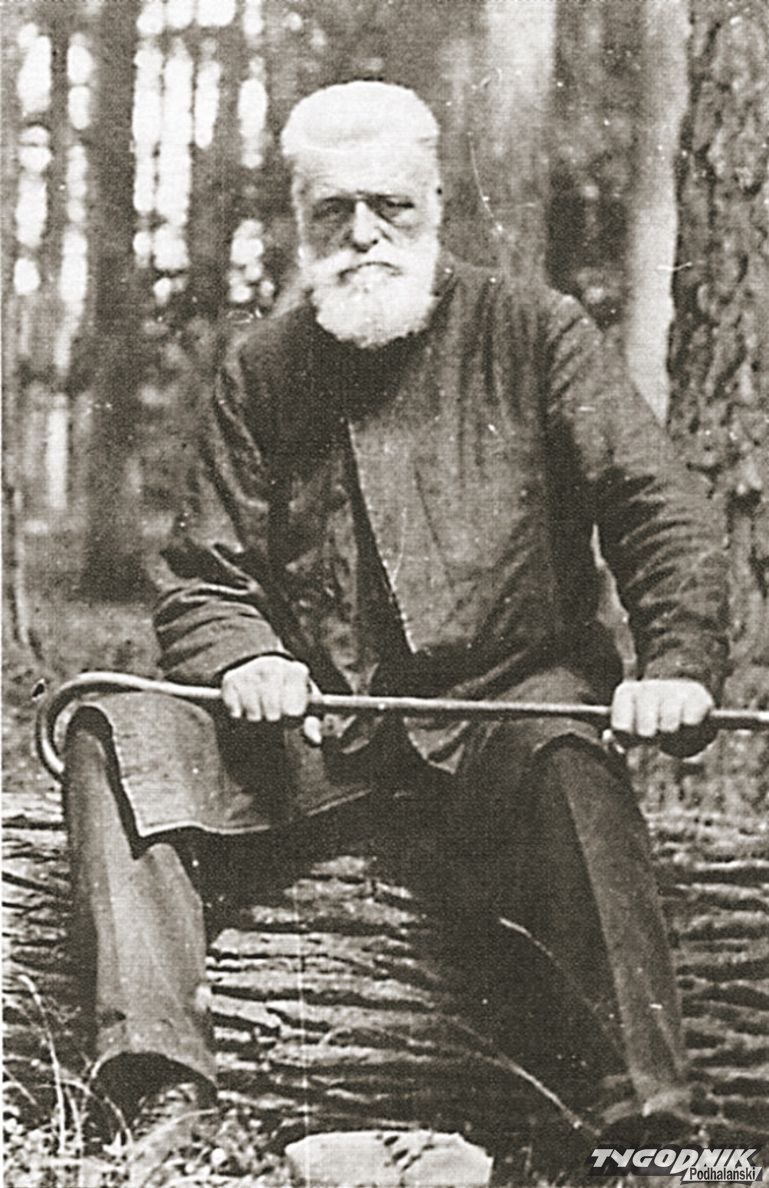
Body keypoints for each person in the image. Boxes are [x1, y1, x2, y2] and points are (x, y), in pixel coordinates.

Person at [64, 81, 728, 1173]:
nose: (363, 234)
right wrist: (248, 655)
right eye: (333, 211)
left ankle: (646, 1131)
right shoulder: (263, 368)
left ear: (435, 206)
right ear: (300, 219)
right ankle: (160, 1098)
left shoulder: (534, 331)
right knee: (116, 728)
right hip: (318, 738)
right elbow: (201, 577)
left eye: (391, 206)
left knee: (570, 759)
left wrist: (679, 661)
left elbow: (653, 507)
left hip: (507, 719)